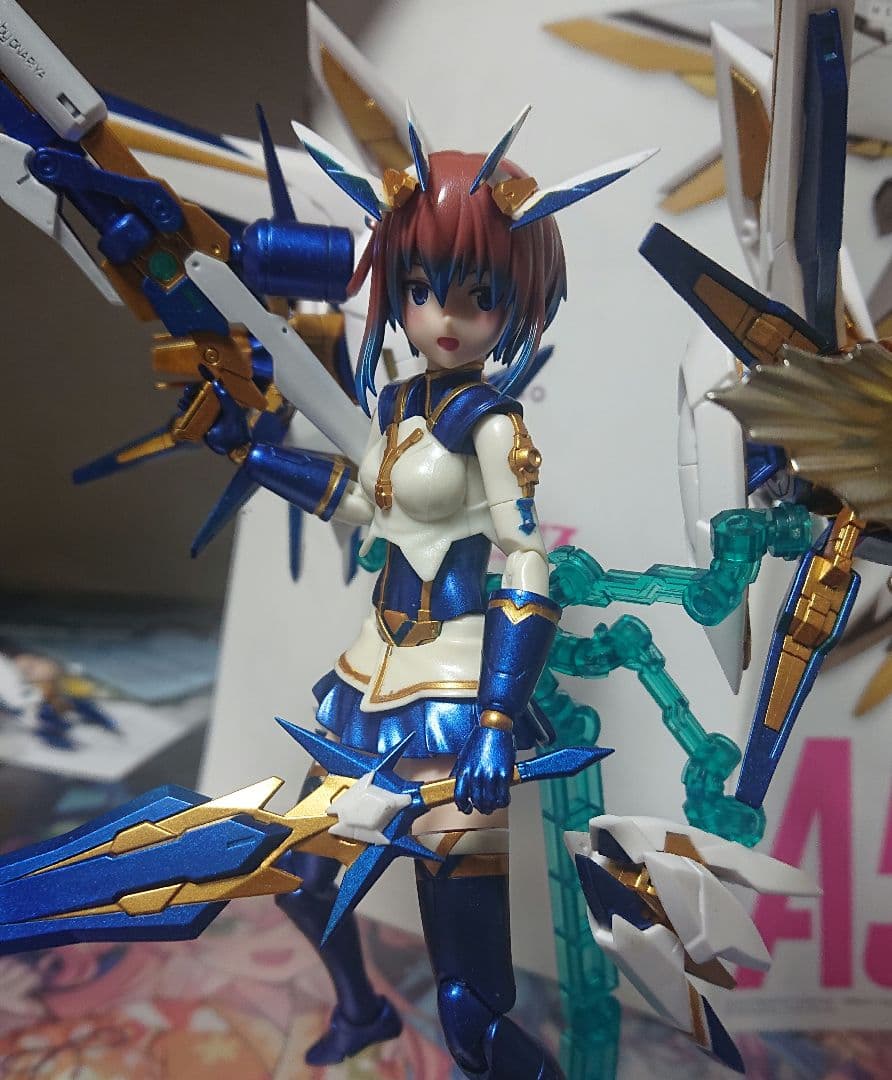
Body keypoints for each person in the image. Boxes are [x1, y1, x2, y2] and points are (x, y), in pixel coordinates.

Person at [204, 109, 652, 1077]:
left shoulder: (491, 423)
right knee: (305, 885)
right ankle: (362, 1010)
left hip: (452, 701)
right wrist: (253, 454)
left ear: (513, 301)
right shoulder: (399, 403)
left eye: (476, 295)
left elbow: (524, 561)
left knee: (466, 1000)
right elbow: (362, 504)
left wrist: (495, 718)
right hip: (368, 683)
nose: (443, 316)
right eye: (418, 289)